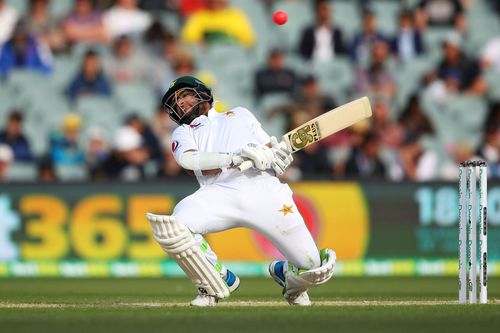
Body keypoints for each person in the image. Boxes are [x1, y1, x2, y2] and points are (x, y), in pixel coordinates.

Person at [146, 76, 335, 307]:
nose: (180, 104)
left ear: (202, 93)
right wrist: (234, 158)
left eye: (184, 96)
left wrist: (278, 158)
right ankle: (215, 281)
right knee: (173, 227)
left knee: (313, 266)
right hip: (219, 192)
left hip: (265, 192)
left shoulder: (240, 114)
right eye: (175, 104)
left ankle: (287, 274)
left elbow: (269, 150)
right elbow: (188, 161)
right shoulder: (183, 132)